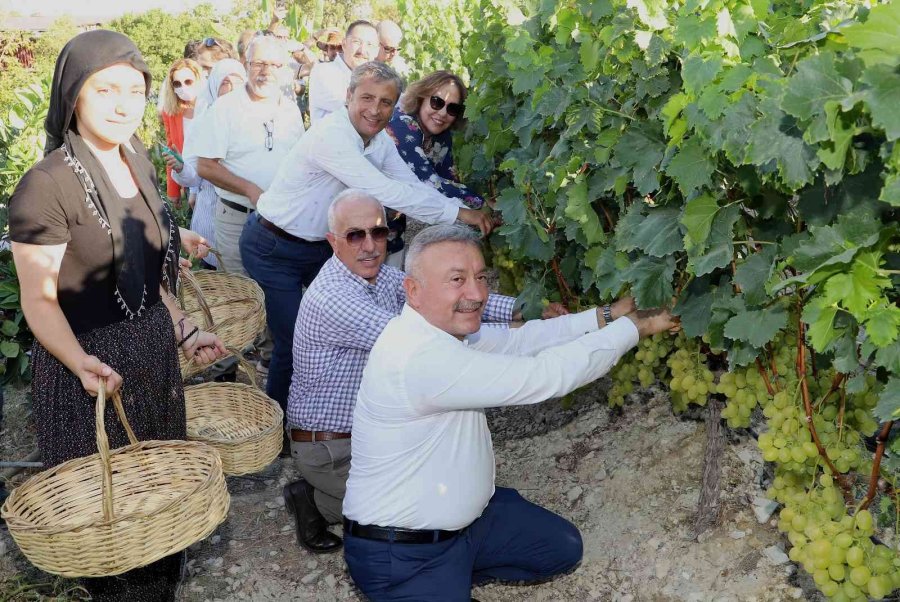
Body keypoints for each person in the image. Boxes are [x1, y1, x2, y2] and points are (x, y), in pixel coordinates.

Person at [341, 225, 679, 600]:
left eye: (480, 277)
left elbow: (522, 341)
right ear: (413, 291)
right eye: (457, 279)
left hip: (470, 526)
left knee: (561, 547)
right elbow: (545, 375)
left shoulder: (441, 332)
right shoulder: (420, 359)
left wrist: (606, 315)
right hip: (404, 555)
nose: (477, 293)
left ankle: (459, 569)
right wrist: (633, 328)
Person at [8, 30, 226, 601]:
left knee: (160, 499)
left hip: (151, 351)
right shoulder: (44, 186)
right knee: (112, 523)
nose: (123, 103)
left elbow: (152, 277)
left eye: (135, 88)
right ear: (73, 96)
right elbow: (39, 300)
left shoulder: (138, 162)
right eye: (105, 89)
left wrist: (183, 328)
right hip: (88, 367)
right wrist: (82, 362)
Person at [283, 190, 556, 554]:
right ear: (333, 242)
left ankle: (321, 498)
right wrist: (522, 339)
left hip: (371, 430)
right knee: (416, 508)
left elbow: (446, 295)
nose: (369, 245)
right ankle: (315, 501)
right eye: (355, 235)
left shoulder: (381, 276)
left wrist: (527, 309)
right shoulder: (334, 297)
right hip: (332, 446)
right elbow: (426, 341)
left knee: (439, 481)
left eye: (378, 233)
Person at [239, 61, 492, 417]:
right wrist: (459, 213)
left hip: (322, 246)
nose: (375, 110)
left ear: (395, 105)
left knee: (346, 334)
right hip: (272, 246)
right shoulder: (332, 136)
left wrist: (455, 206)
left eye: (386, 102)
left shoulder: (377, 139)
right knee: (293, 340)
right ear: (348, 97)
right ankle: (284, 427)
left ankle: (345, 409)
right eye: (367, 98)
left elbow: (410, 184)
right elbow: (384, 191)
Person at [192, 35, 304, 275]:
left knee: (275, 290)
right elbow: (205, 166)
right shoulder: (225, 107)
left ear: (285, 70)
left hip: (280, 221)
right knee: (242, 296)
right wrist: (251, 190)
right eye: (259, 63)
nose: (266, 71)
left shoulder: (291, 110)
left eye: (275, 65)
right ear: (246, 65)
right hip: (237, 220)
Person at [385, 70, 485, 268]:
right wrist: (480, 204)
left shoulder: (440, 134)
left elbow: (448, 178)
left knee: (391, 275)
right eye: (437, 102)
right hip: (364, 217)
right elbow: (430, 182)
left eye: (452, 108)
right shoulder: (403, 126)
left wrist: (477, 203)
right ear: (422, 97)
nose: (442, 113)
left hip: (393, 219)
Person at [168, 58, 247, 269]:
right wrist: (180, 167)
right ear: (213, 87)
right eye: (224, 82)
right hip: (211, 213)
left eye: (237, 81)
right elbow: (194, 174)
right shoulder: (203, 122)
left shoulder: (256, 119)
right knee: (218, 279)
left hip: (249, 214)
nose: (231, 88)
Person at [308, 20, 379, 123]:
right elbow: (353, 109)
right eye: (357, 42)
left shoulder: (374, 80)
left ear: (376, 51)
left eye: (369, 44)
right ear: (344, 44)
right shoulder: (324, 72)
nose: (362, 50)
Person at [159, 58, 203, 207]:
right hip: (188, 176)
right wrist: (173, 191)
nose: (183, 87)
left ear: (198, 79)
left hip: (212, 178)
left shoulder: (210, 107)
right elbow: (171, 151)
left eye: (188, 81)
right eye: (177, 84)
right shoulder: (171, 112)